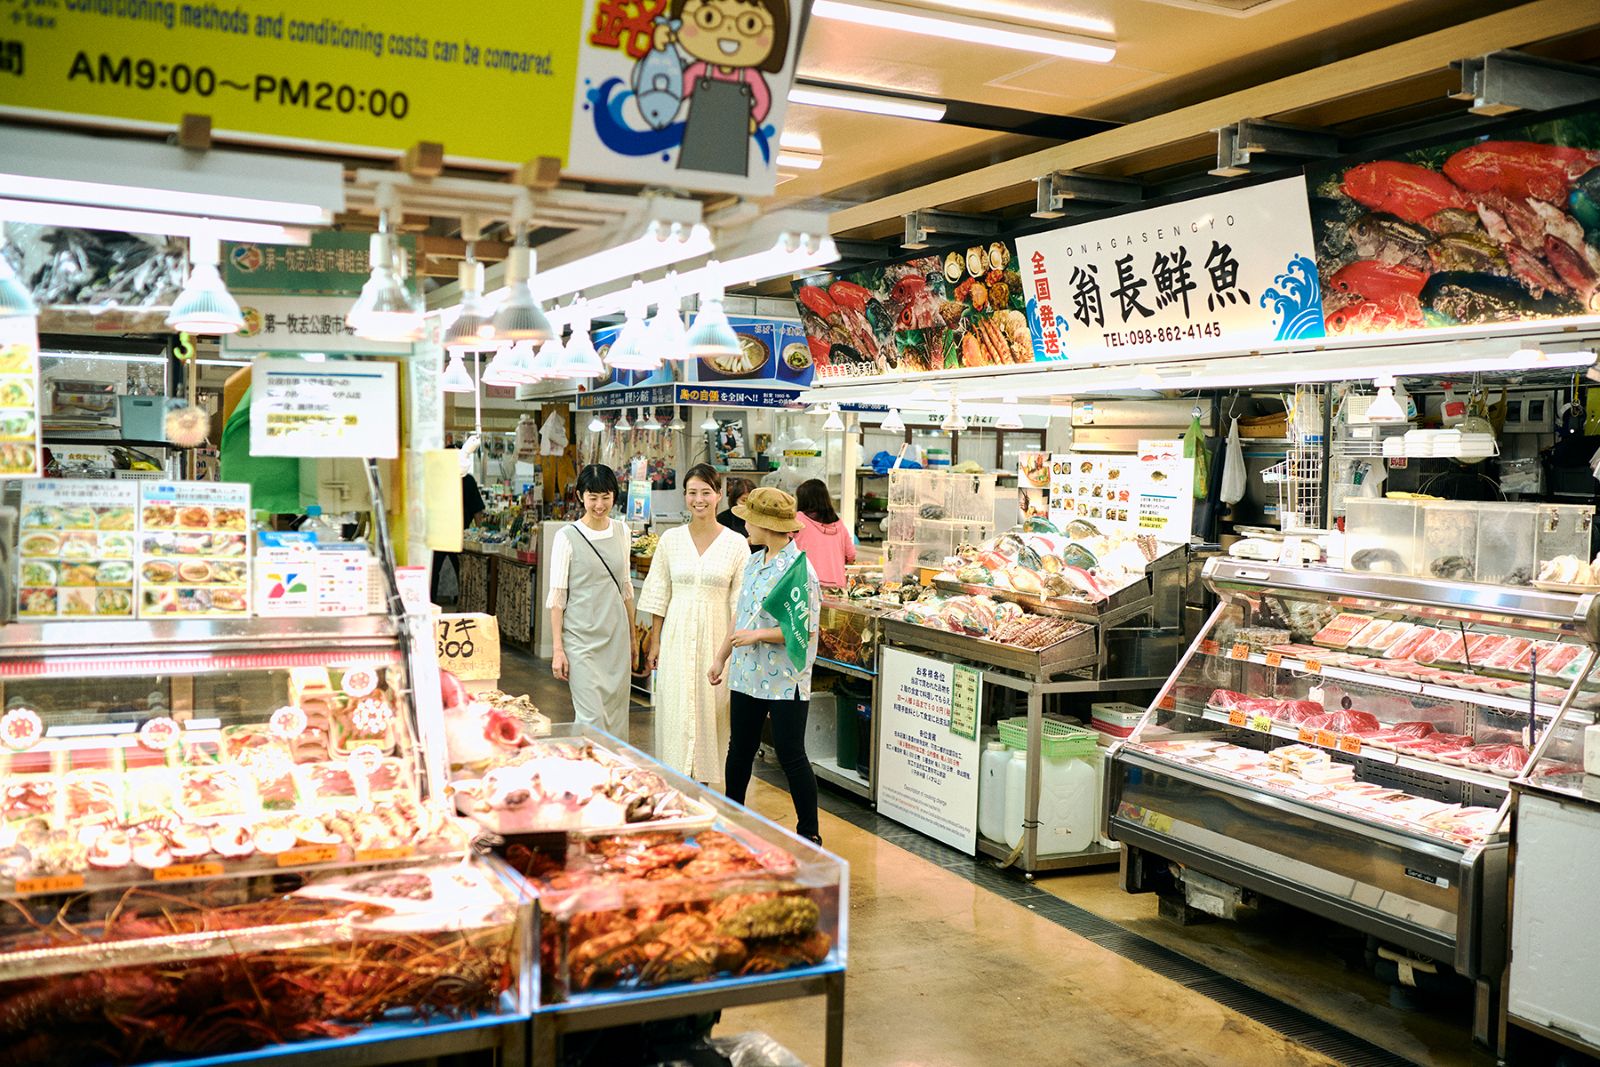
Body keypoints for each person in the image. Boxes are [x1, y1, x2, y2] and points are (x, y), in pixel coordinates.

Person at [709, 487, 822, 843]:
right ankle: (731, 822)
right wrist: (721, 656)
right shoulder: (754, 562)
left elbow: (804, 630)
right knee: (740, 748)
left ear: (767, 526)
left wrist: (757, 636)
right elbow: (742, 614)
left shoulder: (800, 571)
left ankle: (809, 834)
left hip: (786, 678)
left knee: (791, 754)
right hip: (747, 673)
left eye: (750, 520)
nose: (745, 526)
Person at [638, 464, 749, 788]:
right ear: (685, 496)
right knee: (675, 708)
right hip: (676, 636)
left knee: (711, 714)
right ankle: (675, 784)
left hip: (717, 641)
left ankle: (705, 786)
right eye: (692, 493)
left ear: (718, 496)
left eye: (705, 492)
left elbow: (740, 604)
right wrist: (655, 641)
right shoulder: (671, 540)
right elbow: (659, 593)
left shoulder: (736, 544)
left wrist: (727, 653)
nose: (698, 500)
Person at [548, 465, 635, 739]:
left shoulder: (622, 531)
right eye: (593, 497)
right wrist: (558, 649)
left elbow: (626, 589)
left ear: (614, 496)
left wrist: (633, 639)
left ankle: (611, 767)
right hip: (581, 641)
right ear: (580, 496)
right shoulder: (566, 537)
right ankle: (585, 764)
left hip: (616, 638)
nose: (599, 505)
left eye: (606, 497)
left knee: (617, 717)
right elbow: (557, 598)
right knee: (591, 719)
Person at [793, 478, 856, 589]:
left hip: (807, 585)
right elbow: (851, 555)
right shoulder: (839, 524)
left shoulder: (797, 520)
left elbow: (783, 549)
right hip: (837, 586)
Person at [719, 477, 753, 541]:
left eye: (750, 500)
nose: (747, 505)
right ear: (735, 500)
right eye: (743, 500)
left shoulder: (759, 517)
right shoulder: (723, 518)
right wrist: (747, 542)